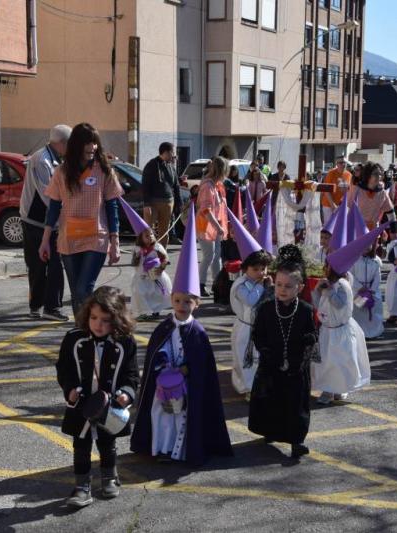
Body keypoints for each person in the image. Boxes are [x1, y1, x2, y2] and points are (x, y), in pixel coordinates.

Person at [130, 208, 233, 466]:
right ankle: (160, 449)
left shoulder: (198, 332)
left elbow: (203, 366)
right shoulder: (163, 327)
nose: (182, 305)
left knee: (183, 417)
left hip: (186, 388)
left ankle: (183, 449)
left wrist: (187, 370)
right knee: (161, 417)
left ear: (196, 303)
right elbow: (156, 351)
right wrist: (162, 367)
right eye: (177, 300)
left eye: (188, 301)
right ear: (171, 300)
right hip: (163, 386)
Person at [55, 286, 140, 508]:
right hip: (81, 404)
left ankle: (109, 476)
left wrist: (126, 394)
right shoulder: (74, 339)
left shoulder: (125, 342)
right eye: (93, 318)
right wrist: (70, 389)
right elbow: (64, 369)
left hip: (109, 404)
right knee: (80, 445)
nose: (98, 324)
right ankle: (82, 486)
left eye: (105, 320)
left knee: (107, 441)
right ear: (86, 315)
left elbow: (132, 374)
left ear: (117, 319)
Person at [40, 123, 123, 315]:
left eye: (95, 142)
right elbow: (53, 209)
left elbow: (112, 207)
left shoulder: (105, 171)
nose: (92, 147)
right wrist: (45, 241)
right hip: (69, 240)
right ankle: (83, 334)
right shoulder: (61, 172)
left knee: (83, 289)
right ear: (76, 145)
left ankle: (90, 330)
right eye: (87, 142)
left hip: (96, 239)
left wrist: (115, 241)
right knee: (77, 294)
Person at [248, 246, 318, 460]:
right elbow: (258, 334)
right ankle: (270, 430)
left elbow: (311, 335)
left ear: (300, 287)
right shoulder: (267, 308)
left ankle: (297, 441)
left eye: (288, 286)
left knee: (295, 404)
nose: (282, 289)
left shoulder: (305, 310)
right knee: (271, 400)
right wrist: (267, 352)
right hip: (271, 364)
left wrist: (302, 355)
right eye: (278, 285)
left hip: (296, 367)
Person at [19, 124, 71, 321]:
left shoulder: (54, 159)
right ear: (62, 143)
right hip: (37, 220)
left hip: (45, 220)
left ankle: (40, 306)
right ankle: (49, 307)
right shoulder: (43, 160)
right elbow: (49, 195)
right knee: (43, 264)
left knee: (48, 264)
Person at [312, 263, 371, 405]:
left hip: (340, 331)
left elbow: (339, 304)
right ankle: (327, 389)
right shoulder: (329, 284)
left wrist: (328, 290)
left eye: (326, 266)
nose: (324, 269)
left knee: (340, 362)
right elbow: (317, 305)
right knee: (326, 361)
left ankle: (338, 388)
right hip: (327, 329)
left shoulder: (342, 284)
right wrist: (317, 290)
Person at [229, 248, 273, 396]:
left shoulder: (263, 282)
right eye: (256, 269)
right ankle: (247, 386)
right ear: (245, 268)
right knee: (245, 359)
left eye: (263, 268)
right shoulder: (240, 285)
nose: (261, 272)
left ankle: (260, 384)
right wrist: (261, 286)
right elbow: (250, 300)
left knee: (261, 359)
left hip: (263, 327)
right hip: (245, 329)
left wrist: (270, 288)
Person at [196, 157, 230, 297]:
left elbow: (221, 207)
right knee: (209, 256)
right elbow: (206, 210)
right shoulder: (208, 186)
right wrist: (218, 226)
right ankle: (200, 284)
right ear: (221, 171)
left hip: (214, 226)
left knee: (216, 256)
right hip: (206, 226)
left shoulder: (217, 186)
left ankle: (218, 284)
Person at [142, 142, 181, 248]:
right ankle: (145, 254)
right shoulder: (151, 165)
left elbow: (176, 185)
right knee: (148, 230)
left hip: (168, 203)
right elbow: (145, 186)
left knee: (164, 231)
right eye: (172, 152)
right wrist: (146, 204)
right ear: (166, 152)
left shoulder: (171, 166)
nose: (174, 155)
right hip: (153, 203)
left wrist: (179, 203)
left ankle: (162, 254)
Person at [351, 244, 385, 339]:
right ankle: (359, 332)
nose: (365, 247)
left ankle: (373, 331)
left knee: (373, 311)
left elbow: (377, 276)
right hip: (358, 290)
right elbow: (351, 274)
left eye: (368, 245)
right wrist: (359, 287)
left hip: (371, 291)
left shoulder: (376, 260)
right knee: (359, 310)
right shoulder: (354, 259)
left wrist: (372, 290)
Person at [350, 162, 395, 232]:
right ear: (368, 175)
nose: (379, 177)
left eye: (380, 174)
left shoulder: (382, 192)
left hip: (373, 231)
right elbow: (345, 209)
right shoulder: (356, 190)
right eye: (376, 174)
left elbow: (390, 212)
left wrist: (393, 231)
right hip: (356, 230)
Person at [322, 156, 352, 222]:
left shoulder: (349, 175)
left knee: (340, 228)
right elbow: (326, 190)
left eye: (344, 162)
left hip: (341, 205)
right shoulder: (331, 173)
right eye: (340, 163)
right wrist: (333, 205)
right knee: (329, 229)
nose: (343, 164)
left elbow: (349, 191)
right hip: (328, 205)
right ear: (337, 164)